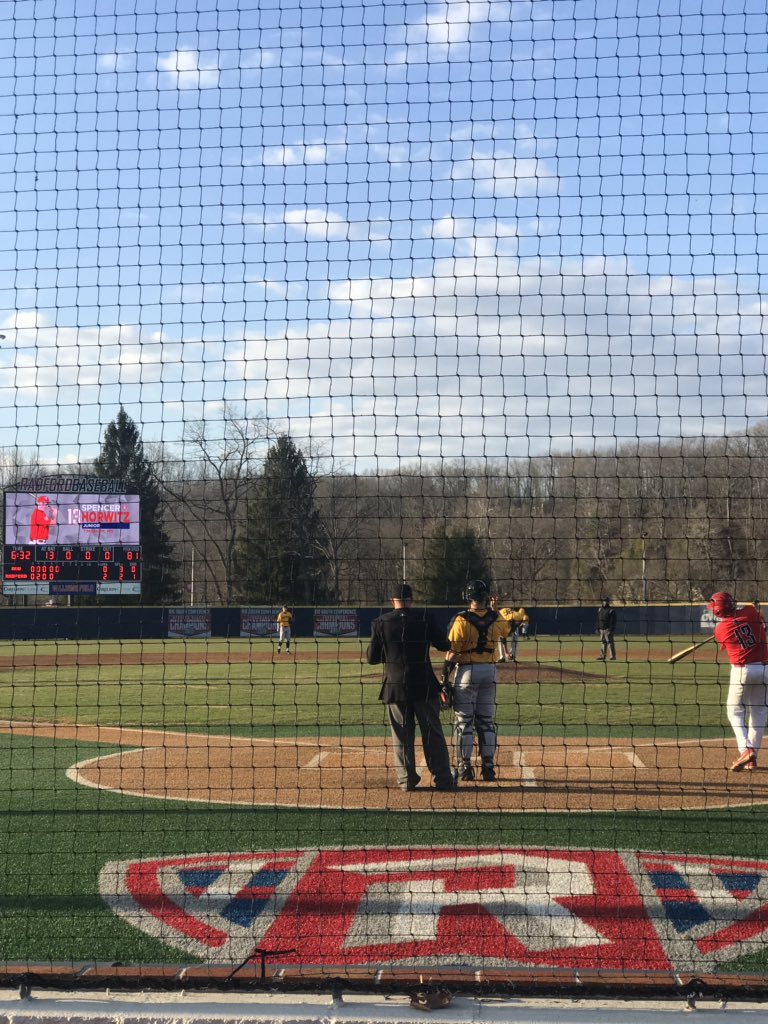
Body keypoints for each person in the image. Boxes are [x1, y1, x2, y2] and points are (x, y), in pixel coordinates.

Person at [367, 583, 455, 792]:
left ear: (392, 600)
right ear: (411, 600)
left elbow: (372, 658)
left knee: (402, 735)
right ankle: (443, 779)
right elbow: (444, 645)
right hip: (424, 684)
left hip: (395, 686)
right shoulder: (425, 617)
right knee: (432, 733)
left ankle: (406, 780)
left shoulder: (380, 622)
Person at [446, 580, 512, 782]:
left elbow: (452, 652)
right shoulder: (496, 617)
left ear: (468, 597)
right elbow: (506, 631)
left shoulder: (461, 619)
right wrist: (494, 609)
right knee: (486, 721)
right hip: (489, 672)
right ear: (486, 597)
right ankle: (489, 768)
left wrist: (444, 678)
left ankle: (465, 767)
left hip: (467, 671)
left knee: (464, 722)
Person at [708, 591, 768, 772]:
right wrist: (754, 614)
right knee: (758, 713)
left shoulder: (719, 630)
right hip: (765, 669)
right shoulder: (750, 612)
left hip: (742, 671)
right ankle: (752, 759)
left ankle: (745, 750)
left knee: (735, 712)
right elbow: (761, 625)